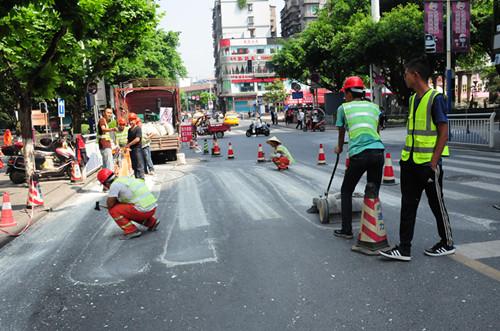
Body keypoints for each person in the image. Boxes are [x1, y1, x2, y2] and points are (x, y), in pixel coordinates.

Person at [380, 57, 454, 262]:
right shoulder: (413, 99)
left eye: (405, 74)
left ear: (416, 75)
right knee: (407, 205)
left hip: (428, 165)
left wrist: (432, 164)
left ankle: (447, 242)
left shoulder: (435, 98)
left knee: (436, 205)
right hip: (410, 162)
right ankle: (404, 248)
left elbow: (443, 133)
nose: (404, 77)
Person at [333, 76, 385, 239]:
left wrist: (339, 147)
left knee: (346, 190)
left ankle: (346, 230)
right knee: (372, 190)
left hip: (359, 155)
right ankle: (375, 229)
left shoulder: (344, 108)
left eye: (345, 93)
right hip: (378, 152)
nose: (344, 96)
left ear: (349, 93)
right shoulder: (374, 107)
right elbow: (376, 131)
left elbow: (341, 132)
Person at [97, 168, 159, 240]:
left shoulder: (114, 185)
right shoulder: (124, 179)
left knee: (113, 210)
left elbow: (110, 204)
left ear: (106, 183)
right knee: (127, 210)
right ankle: (152, 222)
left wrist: (112, 204)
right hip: (151, 208)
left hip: (143, 210)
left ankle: (131, 231)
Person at [125, 113, 145, 179]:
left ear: (135, 120)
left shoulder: (138, 129)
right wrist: (126, 146)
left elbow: (137, 139)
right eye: (130, 120)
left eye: (132, 120)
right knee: (134, 166)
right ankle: (137, 180)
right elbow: (128, 139)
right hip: (131, 150)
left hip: (137, 150)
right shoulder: (129, 130)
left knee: (139, 166)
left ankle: (141, 180)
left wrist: (129, 144)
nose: (130, 122)